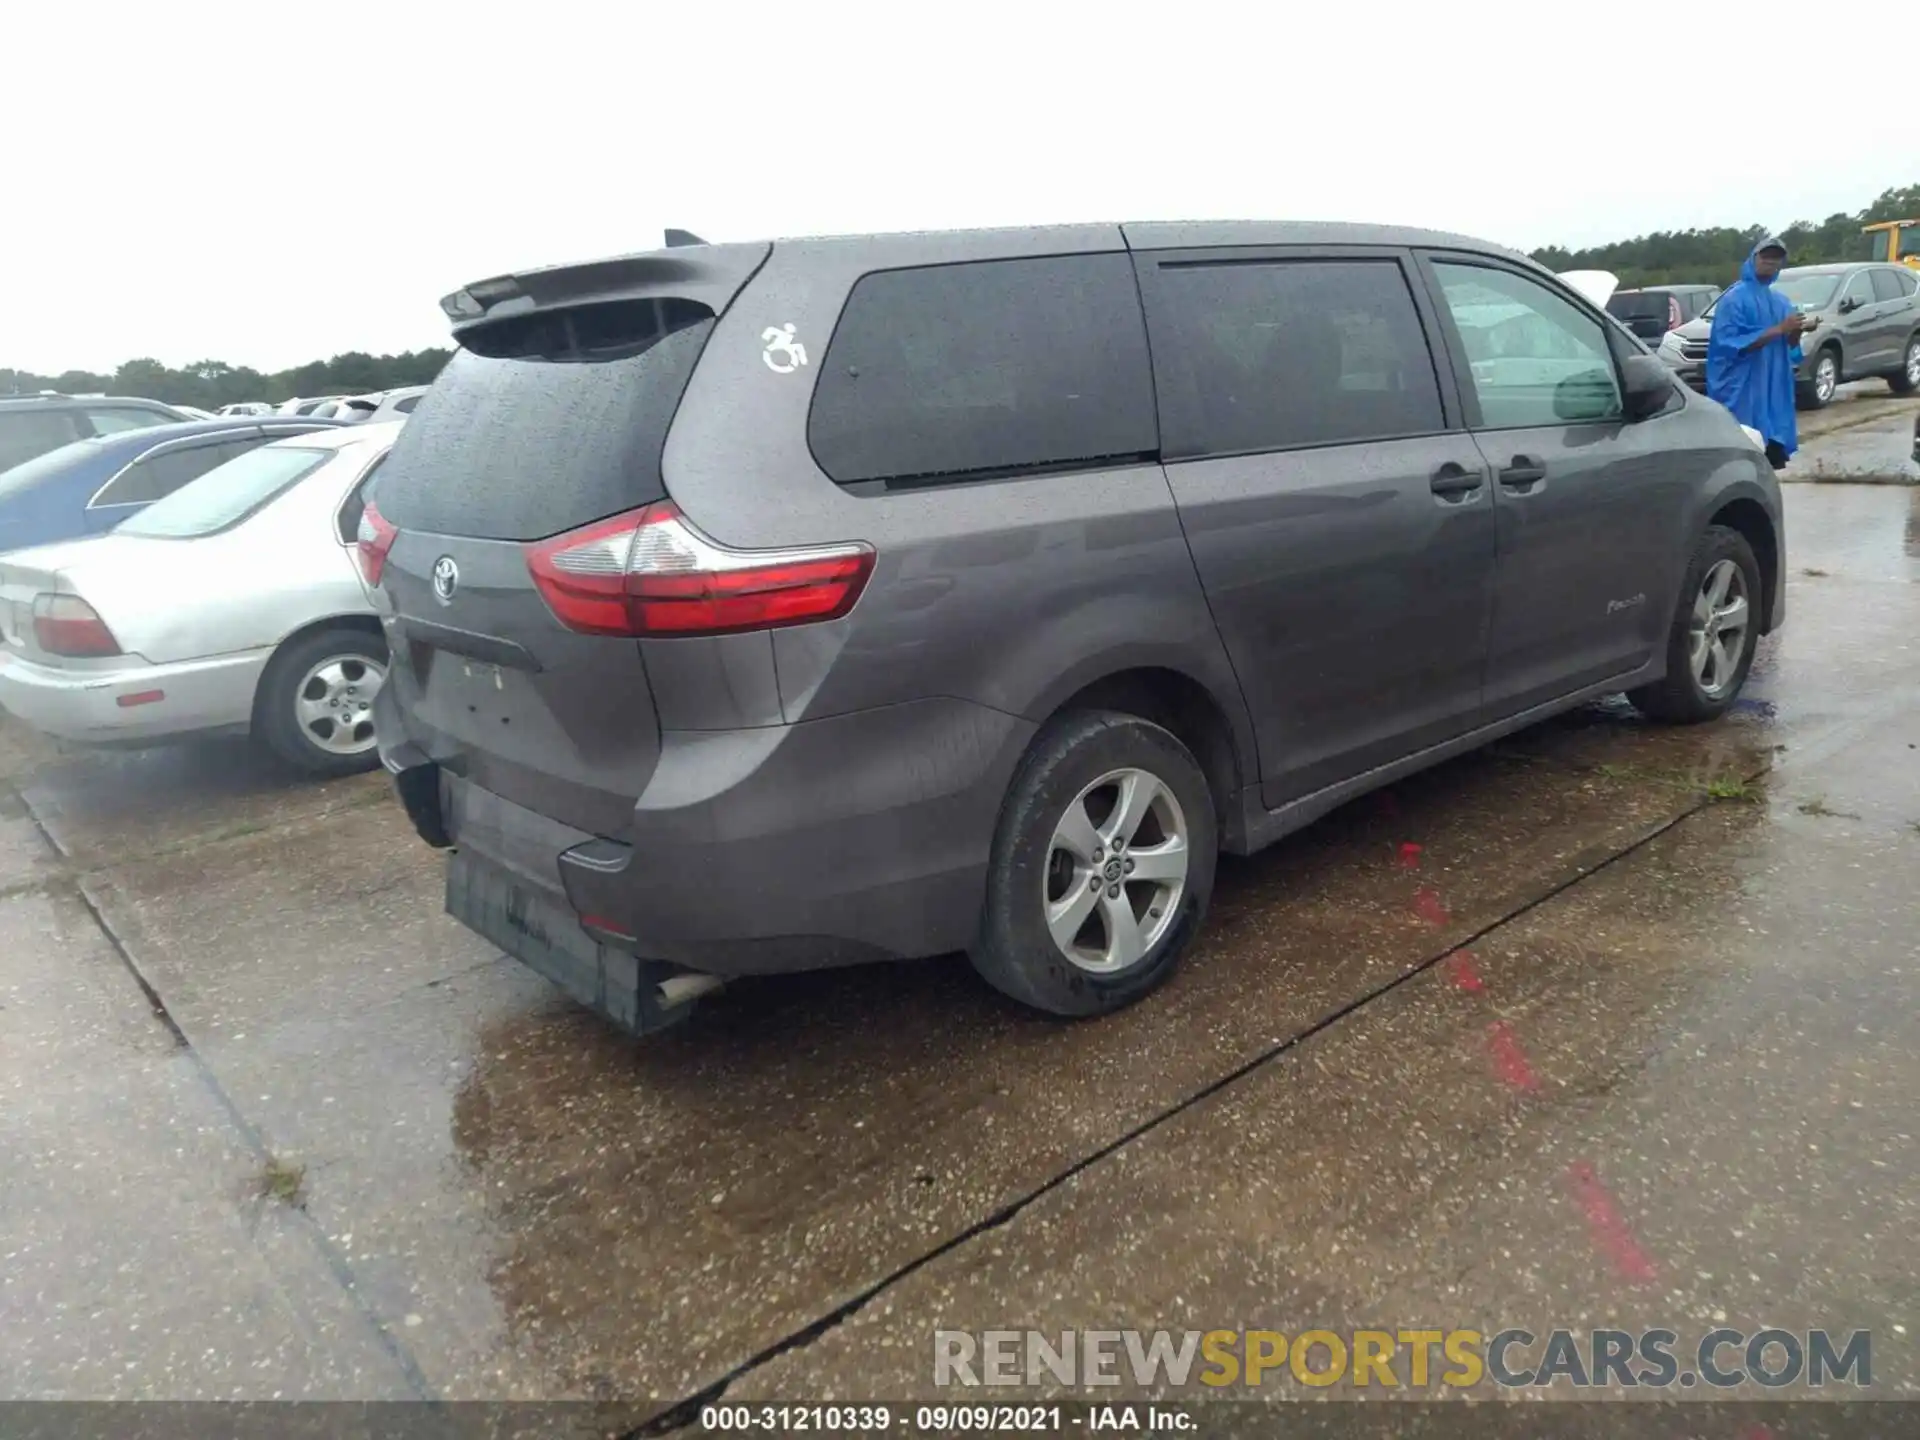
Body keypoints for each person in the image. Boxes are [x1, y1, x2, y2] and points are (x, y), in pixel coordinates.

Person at [1707, 236, 1813, 470]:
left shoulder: (1780, 301)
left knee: (1768, 465)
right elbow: (1730, 344)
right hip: (1742, 395)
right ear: (1753, 259)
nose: (1770, 262)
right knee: (1739, 463)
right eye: (1765, 257)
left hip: (1772, 397)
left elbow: (1791, 347)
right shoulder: (1734, 299)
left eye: (1776, 258)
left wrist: (1796, 330)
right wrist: (1779, 328)